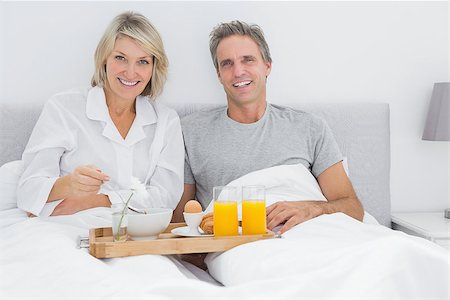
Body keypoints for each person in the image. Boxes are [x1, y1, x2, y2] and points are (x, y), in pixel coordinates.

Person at [175, 20, 364, 234]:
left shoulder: (310, 127)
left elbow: (353, 209)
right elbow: (181, 222)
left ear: (267, 66)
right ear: (219, 74)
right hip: (244, 245)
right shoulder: (190, 132)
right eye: (227, 63)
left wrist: (311, 209)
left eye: (248, 60)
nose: (238, 71)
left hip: (316, 233)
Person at [17, 11, 184, 217]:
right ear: (104, 58)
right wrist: (68, 185)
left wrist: (99, 201)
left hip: (134, 232)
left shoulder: (166, 122)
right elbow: (28, 190)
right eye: (121, 58)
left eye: (143, 61)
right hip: (64, 227)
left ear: (154, 67)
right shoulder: (64, 108)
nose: (131, 72)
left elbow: (166, 196)